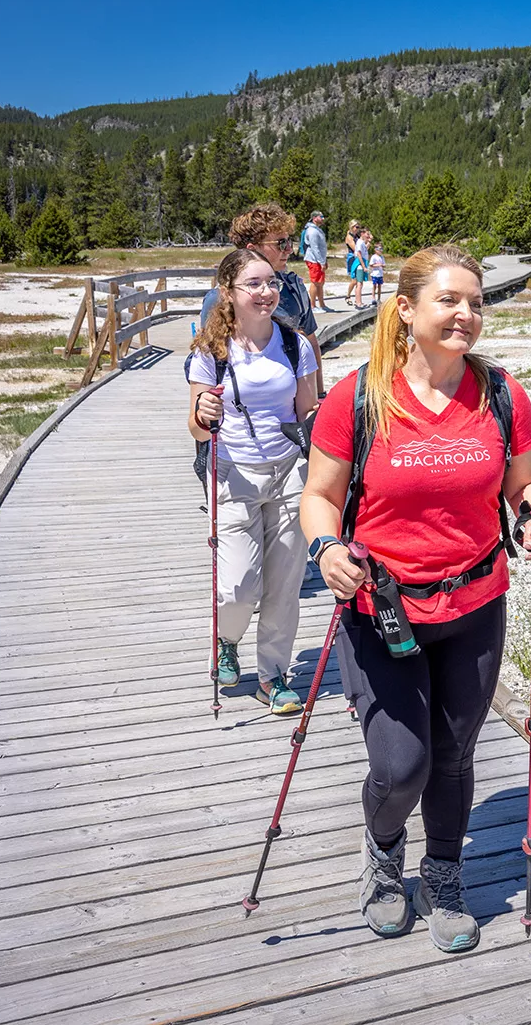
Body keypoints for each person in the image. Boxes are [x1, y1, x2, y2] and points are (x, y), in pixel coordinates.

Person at [300, 244, 531, 953]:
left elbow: (523, 483)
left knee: (453, 754)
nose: (467, 315)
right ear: (406, 309)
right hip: (381, 608)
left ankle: (443, 871)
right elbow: (320, 497)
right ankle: (384, 851)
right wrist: (327, 550)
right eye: (450, 300)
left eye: (475, 302)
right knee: (401, 763)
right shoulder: (358, 396)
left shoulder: (502, 393)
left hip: (475, 602)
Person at [188, 248, 321, 715]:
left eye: (273, 284)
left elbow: (307, 411)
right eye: (255, 285)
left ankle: (273, 675)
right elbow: (196, 426)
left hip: (289, 473)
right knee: (240, 584)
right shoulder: (211, 351)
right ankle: (227, 640)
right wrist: (205, 414)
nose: (268, 293)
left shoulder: (294, 345)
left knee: (285, 583)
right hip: (233, 474)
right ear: (229, 292)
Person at [202, 203, 323, 397]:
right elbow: (209, 360)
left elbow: (312, 344)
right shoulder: (218, 299)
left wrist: (320, 395)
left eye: (289, 241)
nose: (289, 250)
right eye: (281, 243)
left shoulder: (295, 290)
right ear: (253, 249)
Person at [303, 211, 331, 314]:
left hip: (319, 260)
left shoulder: (317, 230)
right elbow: (315, 248)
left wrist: (324, 260)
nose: (323, 219)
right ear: (314, 218)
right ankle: (312, 305)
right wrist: (321, 261)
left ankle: (322, 305)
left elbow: (322, 247)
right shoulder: (312, 231)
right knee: (315, 282)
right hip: (313, 260)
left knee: (320, 283)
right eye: (321, 216)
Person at [354, 230, 373, 309]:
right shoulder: (359, 242)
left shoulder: (362, 243)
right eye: (367, 234)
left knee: (360, 283)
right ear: (362, 234)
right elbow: (359, 254)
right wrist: (363, 266)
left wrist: (369, 240)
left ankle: (358, 301)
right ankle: (358, 303)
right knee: (359, 284)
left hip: (363, 264)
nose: (368, 235)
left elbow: (366, 249)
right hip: (360, 265)